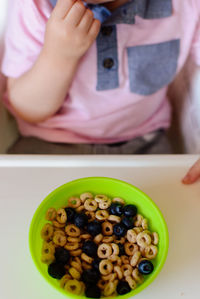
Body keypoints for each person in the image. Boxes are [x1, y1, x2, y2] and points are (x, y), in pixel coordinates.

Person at [1, 0, 200, 156]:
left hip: (145, 143)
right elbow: (26, 109)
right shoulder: (35, 7)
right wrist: (58, 55)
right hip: (51, 143)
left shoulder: (186, 6)